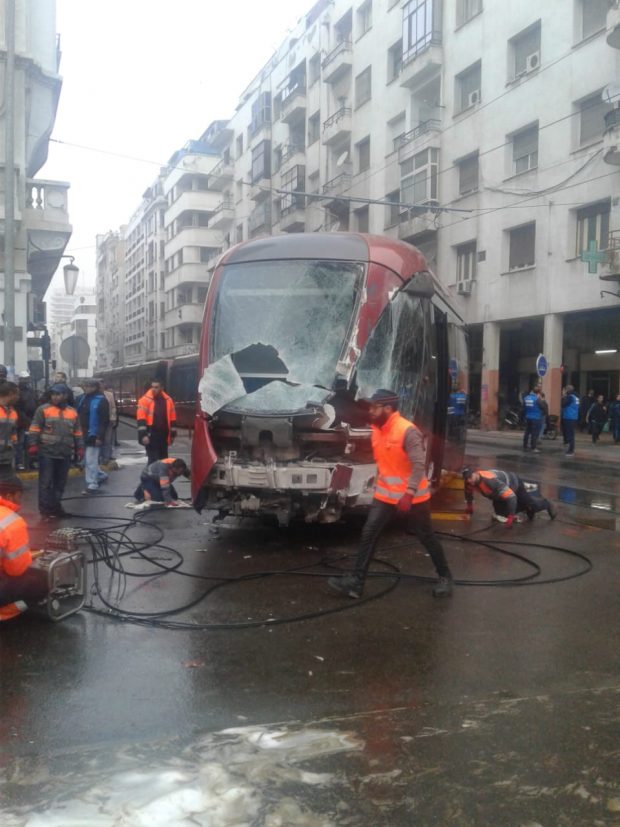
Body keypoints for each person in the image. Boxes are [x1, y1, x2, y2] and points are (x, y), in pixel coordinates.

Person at [327, 389, 453, 599]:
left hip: (412, 497)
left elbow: (419, 464)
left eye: (375, 407)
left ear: (388, 408)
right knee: (369, 533)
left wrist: (409, 494)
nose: (371, 411)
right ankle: (356, 583)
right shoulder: (378, 428)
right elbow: (357, 414)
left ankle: (445, 577)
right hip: (385, 495)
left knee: (426, 537)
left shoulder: (407, 430)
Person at [28, 384, 83, 519]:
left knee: (60, 483)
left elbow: (77, 432)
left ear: (65, 396)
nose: (55, 397)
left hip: (64, 452)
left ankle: (56, 508)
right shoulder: (43, 410)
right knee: (46, 483)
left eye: (58, 394)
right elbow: (34, 428)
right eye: (53, 394)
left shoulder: (72, 412)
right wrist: (32, 444)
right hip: (47, 452)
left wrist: (80, 447)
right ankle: (46, 510)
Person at [0, 476, 48, 621]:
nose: (20, 502)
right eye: (19, 497)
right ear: (9, 496)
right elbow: (16, 570)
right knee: (40, 584)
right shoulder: (12, 521)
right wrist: (28, 556)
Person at [463, 467, 557, 524]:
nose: (469, 481)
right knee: (500, 515)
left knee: (532, 505)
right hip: (498, 494)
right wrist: (469, 505)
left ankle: (547, 504)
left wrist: (511, 516)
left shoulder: (490, 481)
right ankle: (526, 508)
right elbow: (468, 492)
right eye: (466, 479)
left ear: (475, 473)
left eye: (470, 477)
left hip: (514, 485)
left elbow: (511, 497)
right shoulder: (469, 482)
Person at [77, 379, 110, 493]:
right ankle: (100, 475)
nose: (87, 388)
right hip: (83, 433)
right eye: (85, 386)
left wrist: (99, 437)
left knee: (90, 459)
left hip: (93, 434)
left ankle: (92, 483)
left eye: (89, 386)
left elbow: (104, 421)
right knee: (88, 459)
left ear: (95, 387)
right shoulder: (82, 399)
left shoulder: (101, 401)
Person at [136, 379, 177, 464]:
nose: (153, 389)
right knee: (153, 460)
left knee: (164, 460)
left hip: (163, 435)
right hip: (151, 434)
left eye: (156, 387)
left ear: (162, 388)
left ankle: (161, 477)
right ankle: (149, 476)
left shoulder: (168, 400)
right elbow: (141, 419)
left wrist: (172, 435)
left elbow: (172, 418)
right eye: (152, 387)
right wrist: (143, 435)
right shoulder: (144, 400)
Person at [14, 371, 38, 470]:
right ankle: (19, 462)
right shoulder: (16, 391)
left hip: (31, 420)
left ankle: (31, 462)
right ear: (20, 379)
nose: (26, 381)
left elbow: (34, 404)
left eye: (27, 378)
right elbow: (17, 407)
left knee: (30, 442)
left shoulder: (31, 391)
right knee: (20, 443)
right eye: (24, 379)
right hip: (20, 421)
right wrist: (24, 418)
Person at [0, 381, 19, 478]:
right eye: (17, 394)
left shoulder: (13, 413)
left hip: (7, 458)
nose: (18, 398)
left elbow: (13, 434)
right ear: (11, 394)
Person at [98, 379, 118, 466]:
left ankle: (106, 458)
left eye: (102, 383)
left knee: (107, 440)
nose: (101, 385)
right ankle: (99, 458)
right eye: (99, 384)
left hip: (108, 421)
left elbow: (113, 407)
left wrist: (113, 418)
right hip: (98, 421)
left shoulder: (109, 395)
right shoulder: (94, 395)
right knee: (98, 440)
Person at [522, 387, 543, 452]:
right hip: (536, 418)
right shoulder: (537, 399)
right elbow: (542, 407)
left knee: (527, 432)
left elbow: (524, 407)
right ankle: (533, 447)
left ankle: (525, 445)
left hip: (528, 417)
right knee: (534, 433)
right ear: (538, 393)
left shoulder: (526, 398)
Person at [561, 385, 579, 457]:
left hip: (569, 417)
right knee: (571, 434)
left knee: (570, 435)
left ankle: (571, 450)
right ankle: (570, 448)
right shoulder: (576, 397)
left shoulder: (569, 397)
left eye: (565, 390)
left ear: (567, 390)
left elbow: (563, 404)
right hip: (573, 417)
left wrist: (563, 396)